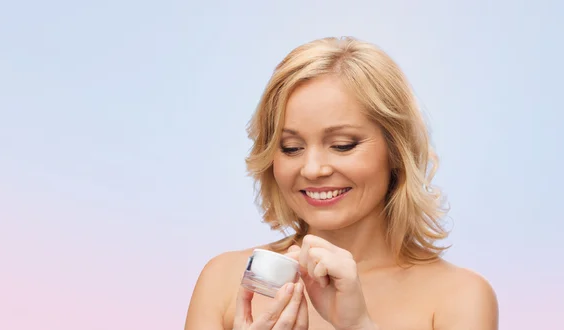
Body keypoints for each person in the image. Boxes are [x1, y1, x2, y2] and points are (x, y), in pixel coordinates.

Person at [184, 36, 499, 330]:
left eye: (343, 145)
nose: (313, 169)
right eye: (291, 148)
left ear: (395, 150)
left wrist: (359, 325)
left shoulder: (459, 298)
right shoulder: (226, 280)